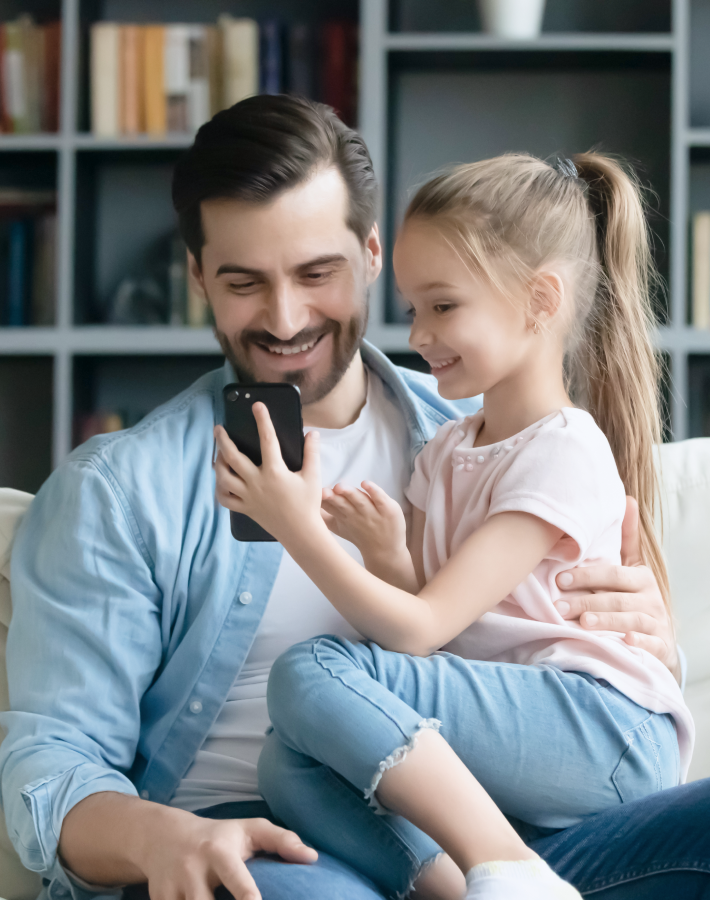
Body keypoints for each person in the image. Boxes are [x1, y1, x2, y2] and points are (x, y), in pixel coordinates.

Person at [0, 95, 703, 900]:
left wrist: (648, 629)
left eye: (316, 273)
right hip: (275, 834)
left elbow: (567, 690)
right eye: (243, 282)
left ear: (374, 254)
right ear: (197, 276)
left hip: (518, 836)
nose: (285, 317)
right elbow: (51, 763)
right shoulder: (120, 491)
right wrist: (166, 838)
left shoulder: (487, 439)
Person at [211, 151, 692, 900]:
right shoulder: (446, 450)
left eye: (443, 305)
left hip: (601, 731)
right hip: (515, 731)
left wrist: (296, 526)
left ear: (540, 301)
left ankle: (513, 867)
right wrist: (387, 556)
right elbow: (444, 615)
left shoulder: (562, 450)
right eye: (411, 308)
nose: (419, 333)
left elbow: (421, 630)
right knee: (288, 760)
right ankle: (456, 888)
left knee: (309, 673)